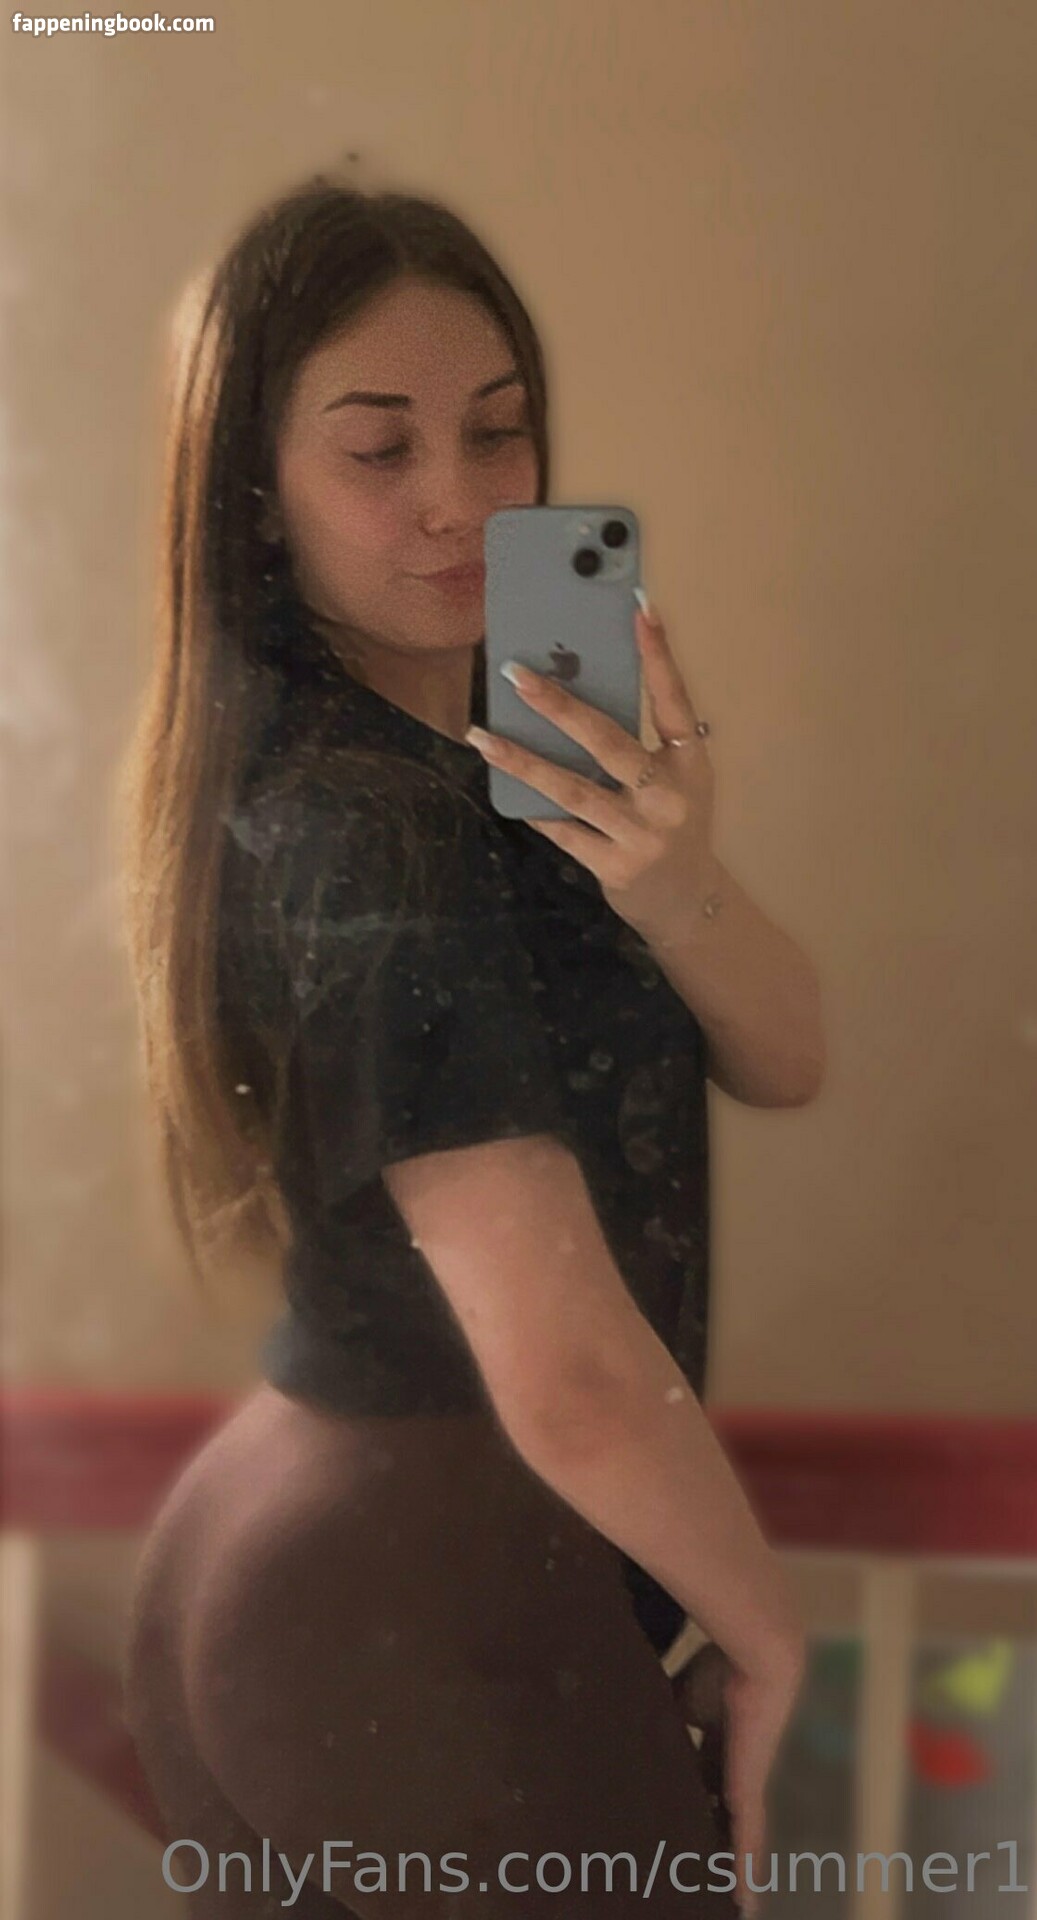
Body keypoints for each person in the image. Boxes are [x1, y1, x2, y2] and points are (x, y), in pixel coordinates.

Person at [117, 175, 809, 1918]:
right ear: (255, 490)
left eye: (498, 432)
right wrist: (767, 1629)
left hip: (303, 1550)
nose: (459, 498)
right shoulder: (379, 828)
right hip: (418, 1587)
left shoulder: (469, 780)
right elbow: (565, 1368)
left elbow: (787, 1055)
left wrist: (677, 877)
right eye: (380, 449)